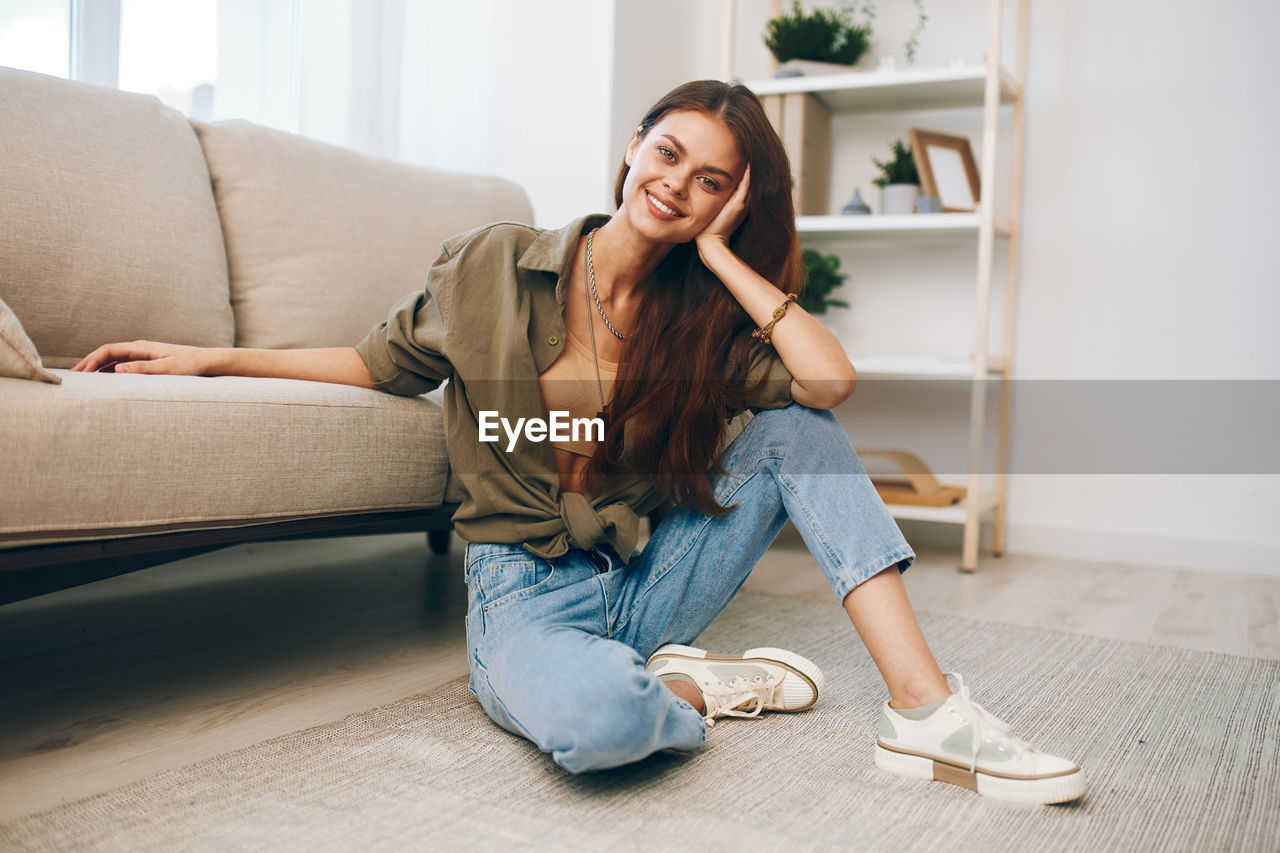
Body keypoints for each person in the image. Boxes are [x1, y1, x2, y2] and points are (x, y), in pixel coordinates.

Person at [73, 80, 1084, 804]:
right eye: (667, 152)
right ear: (635, 145)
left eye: (709, 182)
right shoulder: (490, 266)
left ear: (726, 203)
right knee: (596, 730)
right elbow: (378, 362)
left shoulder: (699, 320)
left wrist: (723, 260)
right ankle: (692, 684)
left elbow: (827, 382)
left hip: (651, 570)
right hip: (525, 590)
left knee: (794, 429)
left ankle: (923, 709)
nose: (675, 183)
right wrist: (212, 359)